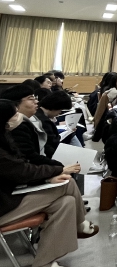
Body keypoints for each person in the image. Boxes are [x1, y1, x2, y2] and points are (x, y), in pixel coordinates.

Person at [0, 100, 98, 267]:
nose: (18, 117)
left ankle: (45, 261)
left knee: (67, 203)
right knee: (67, 183)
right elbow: (22, 171)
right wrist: (57, 170)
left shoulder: (5, 137)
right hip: (4, 205)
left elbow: (19, 169)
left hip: (11, 194)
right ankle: (79, 224)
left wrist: (48, 178)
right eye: (14, 114)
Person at [1, 85, 63, 167]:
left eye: (35, 98)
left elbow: (45, 145)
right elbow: (30, 157)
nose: (36, 101)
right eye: (31, 99)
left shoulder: (33, 119)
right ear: (15, 104)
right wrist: (60, 166)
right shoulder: (15, 126)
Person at [35, 91, 76, 158]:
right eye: (60, 110)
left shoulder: (40, 114)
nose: (59, 113)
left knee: (71, 133)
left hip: (50, 148)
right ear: (55, 107)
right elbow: (53, 143)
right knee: (72, 135)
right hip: (49, 153)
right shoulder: (44, 121)